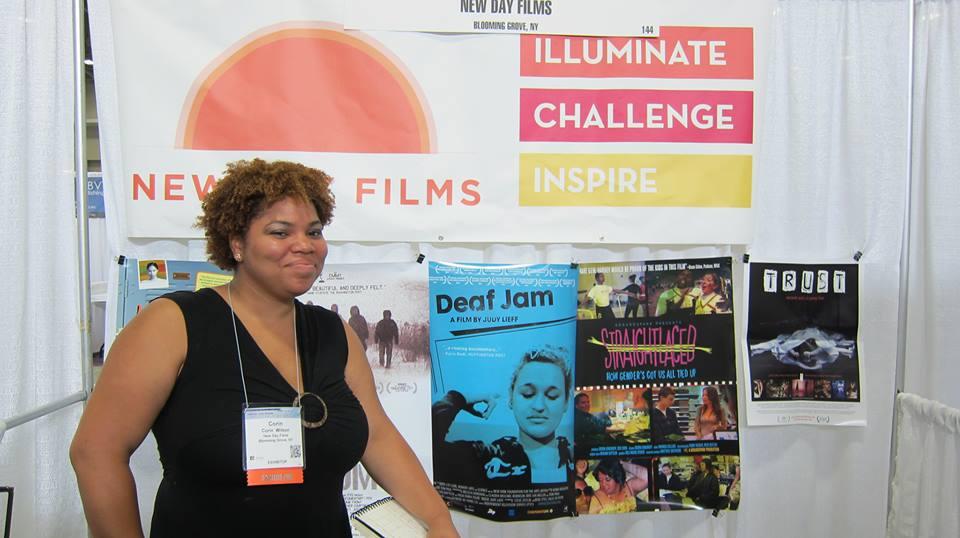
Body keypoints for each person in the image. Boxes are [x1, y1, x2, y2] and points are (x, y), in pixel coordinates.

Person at [70, 159, 457, 538]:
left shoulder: (333, 332)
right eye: (279, 232)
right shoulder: (173, 324)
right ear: (237, 244)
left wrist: (438, 521)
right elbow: (96, 453)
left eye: (314, 232)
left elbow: (377, 437)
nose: (304, 246)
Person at [432, 347, 574, 486]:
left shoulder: (574, 455)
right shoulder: (487, 456)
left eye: (552, 396)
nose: (539, 406)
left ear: (566, 402)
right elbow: (431, 447)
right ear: (511, 398)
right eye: (528, 394)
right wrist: (458, 398)